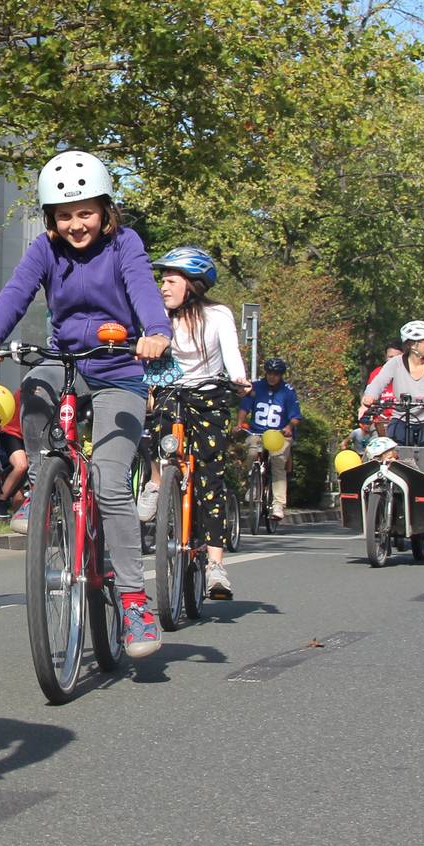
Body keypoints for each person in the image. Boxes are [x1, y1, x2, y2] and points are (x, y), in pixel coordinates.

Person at [0, 153, 172, 658]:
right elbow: (17, 290)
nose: (76, 224)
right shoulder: (45, 250)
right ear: (50, 219)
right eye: (64, 214)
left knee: (108, 481)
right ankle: (45, 479)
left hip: (120, 372)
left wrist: (156, 332)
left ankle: (133, 602)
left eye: (85, 212)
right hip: (69, 363)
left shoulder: (126, 244)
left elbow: (145, 290)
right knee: (33, 390)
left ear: (106, 210)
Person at [148, 246, 250, 601]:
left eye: (171, 280)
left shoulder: (218, 314)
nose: (163, 286)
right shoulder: (157, 314)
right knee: (155, 435)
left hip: (209, 397)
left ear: (193, 284)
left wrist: (239, 378)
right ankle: (156, 483)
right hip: (169, 393)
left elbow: (231, 353)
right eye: (162, 280)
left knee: (210, 478)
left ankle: (215, 566)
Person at [360, 321, 424, 448]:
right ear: (412, 344)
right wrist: (370, 396)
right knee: (395, 445)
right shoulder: (395, 363)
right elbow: (377, 382)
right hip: (402, 418)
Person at [237, 356, 302, 527]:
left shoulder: (288, 391)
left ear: (281, 375)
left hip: (279, 435)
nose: (272, 376)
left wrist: (289, 427)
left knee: (277, 461)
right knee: (251, 451)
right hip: (256, 431)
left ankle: (278, 505)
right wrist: (239, 424)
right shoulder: (256, 386)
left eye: (276, 374)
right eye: (270, 373)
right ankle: (253, 484)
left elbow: (296, 417)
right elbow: (245, 407)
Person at [0, 388, 29, 518]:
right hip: (11, 432)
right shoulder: (25, 392)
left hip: (27, 436)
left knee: (23, 472)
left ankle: (19, 514)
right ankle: (0, 503)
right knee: (21, 465)